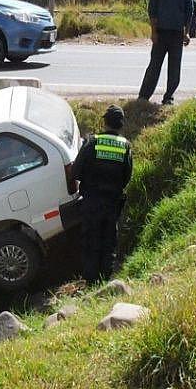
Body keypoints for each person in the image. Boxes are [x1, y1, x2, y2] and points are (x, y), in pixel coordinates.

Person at [72, 105, 133, 283]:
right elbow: (127, 177)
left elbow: (76, 172)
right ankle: (105, 282)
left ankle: (90, 281)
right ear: (121, 125)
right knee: (108, 241)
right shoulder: (125, 146)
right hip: (112, 203)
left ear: (105, 122)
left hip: (91, 201)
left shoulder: (92, 142)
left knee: (91, 241)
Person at [138, 0, 193, 106]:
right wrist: (153, 31)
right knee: (154, 66)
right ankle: (143, 97)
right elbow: (152, 9)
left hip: (177, 34)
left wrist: (186, 32)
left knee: (174, 68)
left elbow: (189, 11)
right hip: (161, 33)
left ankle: (168, 97)